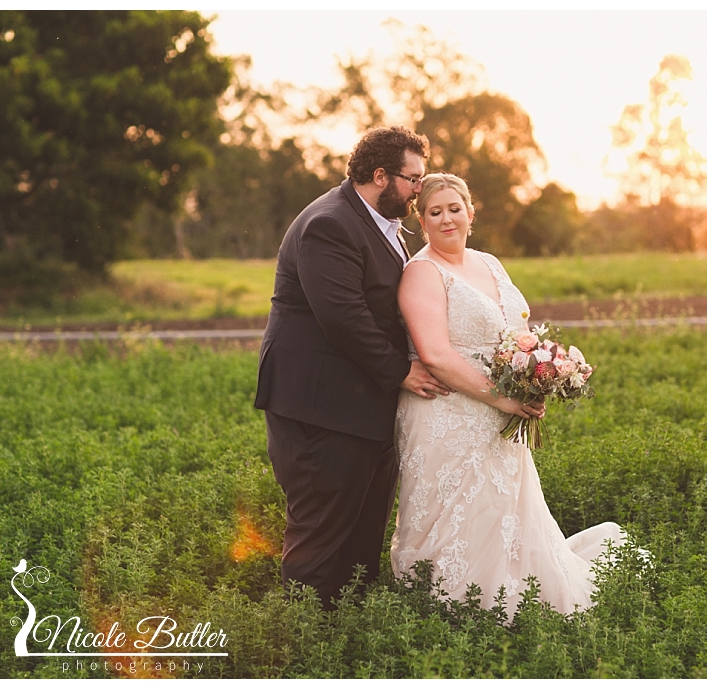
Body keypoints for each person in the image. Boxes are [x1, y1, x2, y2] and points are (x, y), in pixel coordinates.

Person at [391, 173, 626, 616]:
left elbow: (515, 332)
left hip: (500, 412)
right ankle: (454, 603)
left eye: (454, 209)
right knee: (457, 511)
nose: (446, 219)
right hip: (447, 411)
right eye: (435, 212)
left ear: (471, 213)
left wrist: (537, 374)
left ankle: (512, 593)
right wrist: (501, 399)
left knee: (503, 510)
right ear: (421, 221)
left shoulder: (489, 263)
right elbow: (435, 354)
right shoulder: (421, 273)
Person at [254, 126, 451, 611]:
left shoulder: (380, 223)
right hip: (320, 409)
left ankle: (349, 630)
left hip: (361, 405)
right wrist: (401, 371)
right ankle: (305, 634)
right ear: (380, 176)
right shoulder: (330, 224)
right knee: (321, 532)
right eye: (412, 179)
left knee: (362, 535)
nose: (419, 190)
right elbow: (343, 316)